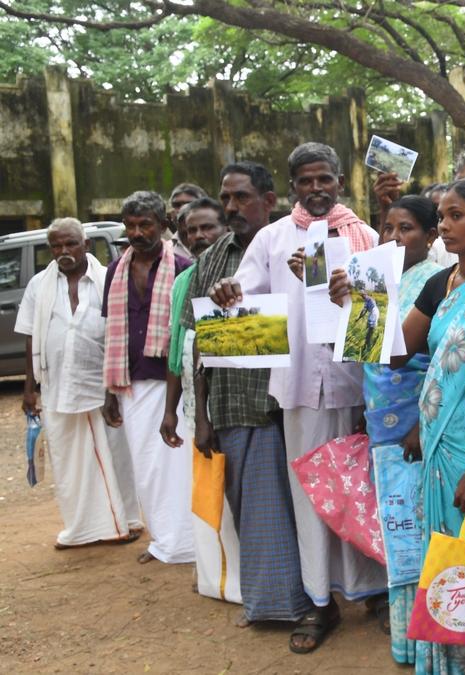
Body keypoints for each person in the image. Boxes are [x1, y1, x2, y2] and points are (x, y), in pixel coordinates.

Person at [209, 143, 386, 654]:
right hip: (299, 391)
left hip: (357, 385)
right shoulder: (271, 237)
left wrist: (349, 283)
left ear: (339, 180)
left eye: (324, 179)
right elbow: (242, 295)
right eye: (306, 181)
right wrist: (227, 293)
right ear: (291, 187)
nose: (316, 188)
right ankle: (319, 601)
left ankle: (374, 592)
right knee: (310, 495)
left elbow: (380, 307)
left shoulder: (364, 235)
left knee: (361, 489)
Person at [177, 161, 315, 635]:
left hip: (293, 402)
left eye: (241, 197)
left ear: (270, 199)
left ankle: (321, 599)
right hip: (235, 404)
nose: (231, 207)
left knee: (307, 510)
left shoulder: (294, 244)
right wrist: (201, 414)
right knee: (255, 512)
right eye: (226, 198)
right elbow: (199, 342)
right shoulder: (213, 257)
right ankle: (274, 603)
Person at [383, 179, 465, 673]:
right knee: (445, 548)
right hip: (436, 443)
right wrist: (358, 303)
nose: (446, 227)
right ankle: (444, 662)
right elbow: (396, 354)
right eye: (443, 217)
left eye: (458, 216)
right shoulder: (441, 283)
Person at [328, 194, 443, 665]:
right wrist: (346, 305)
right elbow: (369, 355)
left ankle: (433, 643)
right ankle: (407, 643)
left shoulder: (436, 281)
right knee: (398, 537)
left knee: (421, 535)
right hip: (381, 425)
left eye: (407, 228)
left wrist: (421, 423)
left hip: (418, 430)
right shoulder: (374, 277)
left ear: (431, 236)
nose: (395, 237)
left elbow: (438, 360)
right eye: (388, 227)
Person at [17, 218, 142, 549]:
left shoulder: (108, 279)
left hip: (104, 383)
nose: (63, 251)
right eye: (56, 246)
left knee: (115, 455)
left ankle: (126, 521)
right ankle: (81, 528)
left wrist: (115, 383)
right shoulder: (39, 286)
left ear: (86, 245)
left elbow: (124, 330)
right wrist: (29, 388)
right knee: (68, 460)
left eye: (70, 243)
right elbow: (31, 336)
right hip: (58, 385)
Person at [101, 191, 195, 565]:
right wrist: (109, 392)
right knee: (146, 467)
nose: (137, 232)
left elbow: (187, 334)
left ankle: (187, 541)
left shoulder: (182, 267)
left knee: (178, 465)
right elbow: (110, 331)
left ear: (163, 226)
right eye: (130, 225)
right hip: (131, 382)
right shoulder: (115, 270)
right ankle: (163, 540)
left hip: (173, 382)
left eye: (145, 225)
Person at [160, 197, 228, 453]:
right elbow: (178, 348)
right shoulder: (182, 282)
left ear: (227, 230)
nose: (198, 236)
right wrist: (170, 410)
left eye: (207, 228)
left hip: (229, 405)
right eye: (191, 231)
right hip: (195, 405)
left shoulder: (242, 272)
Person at [168, 183, 209, 260]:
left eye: (189, 204)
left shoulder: (217, 245)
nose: (182, 209)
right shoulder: (165, 251)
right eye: (177, 205)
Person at [357, 291, 379, 356]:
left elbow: (363, 311)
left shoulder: (368, 300)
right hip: (373, 313)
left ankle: (367, 346)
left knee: (369, 331)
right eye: (362, 296)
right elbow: (365, 311)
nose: (363, 297)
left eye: (363, 295)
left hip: (373, 313)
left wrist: (358, 318)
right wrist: (359, 318)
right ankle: (367, 344)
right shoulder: (369, 299)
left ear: (365, 294)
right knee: (369, 330)